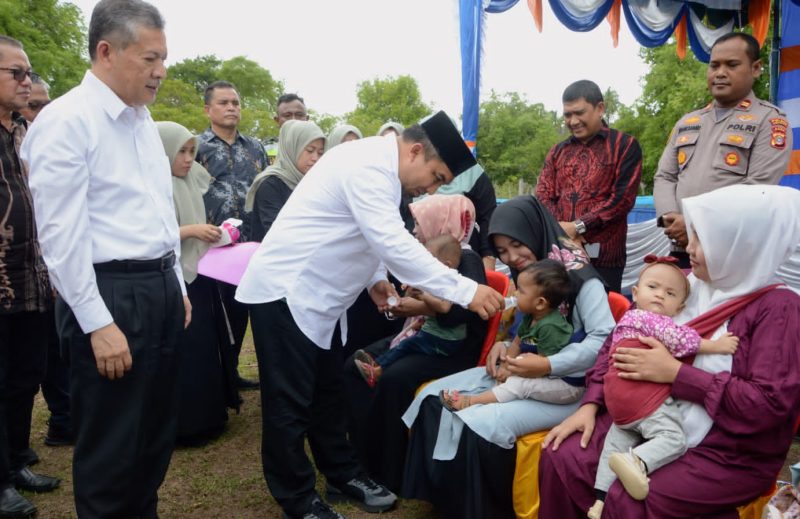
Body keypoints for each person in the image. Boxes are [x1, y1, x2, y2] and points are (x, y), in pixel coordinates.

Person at [235, 111, 503, 519]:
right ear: (415, 151)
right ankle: (297, 498)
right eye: (435, 176)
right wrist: (467, 289)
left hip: (323, 300)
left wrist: (376, 279)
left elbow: (366, 236)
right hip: (288, 292)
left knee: (328, 393)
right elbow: (393, 243)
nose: (431, 188)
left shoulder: (385, 171)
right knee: (290, 404)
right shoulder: (367, 166)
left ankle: (343, 473)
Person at [538, 184, 800, 519]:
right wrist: (591, 403)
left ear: (741, 245)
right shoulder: (683, 282)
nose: (688, 247)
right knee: (563, 456)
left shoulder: (780, 309)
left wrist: (676, 374)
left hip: (727, 449)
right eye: (691, 235)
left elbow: (768, 406)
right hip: (645, 413)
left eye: (702, 239)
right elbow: (620, 338)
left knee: (630, 497)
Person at [21, 2, 191, 516]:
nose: (160, 71)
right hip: (109, 293)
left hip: (157, 288)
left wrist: (177, 286)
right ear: (106, 52)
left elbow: (158, 211)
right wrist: (98, 322)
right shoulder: (67, 121)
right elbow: (61, 237)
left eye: (164, 58)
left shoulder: (140, 118)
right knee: (112, 447)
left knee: (154, 436)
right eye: (150, 58)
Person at [401, 195, 615, 519]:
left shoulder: (581, 280)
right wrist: (502, 345)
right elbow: (523, 325)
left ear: (535, 232)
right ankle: (445, 503)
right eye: (501, 251)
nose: (512, 257)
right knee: (434, 398)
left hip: (570, 387)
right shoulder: (533, 273)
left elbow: (604, 340)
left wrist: (548, 364)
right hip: (523, 372)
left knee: (475, 423)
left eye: (517, 245)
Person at [342, 192, 488, 492]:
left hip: (452, 348)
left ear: (441, 222)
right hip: (425, 334)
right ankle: (359, 456)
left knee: (393, 379)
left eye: (419, 223)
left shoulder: (466, 258)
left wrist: (419, 307)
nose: (414, 231)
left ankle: (388, 469)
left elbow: (460, 315)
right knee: (355, 364)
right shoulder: (428, 254)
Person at [586, 255, 739, 518]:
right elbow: (679, 340)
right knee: (674, 438)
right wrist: (716, 346)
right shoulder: (647, 319)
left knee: (615, 443)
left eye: (670, 293)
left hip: (618, 401)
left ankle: (600, 501)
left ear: (680, 307)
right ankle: (637, 461)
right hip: (642, 397)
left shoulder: (626, 320)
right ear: (635, 293)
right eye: (652, 287)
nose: (659, 296)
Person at [654, 32, 791, 268]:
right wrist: (672, 219)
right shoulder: (688, 121)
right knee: (683, 305)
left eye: (732, 65)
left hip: (732, 251)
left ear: (756, 68)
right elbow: (665, 176)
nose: (719, 73)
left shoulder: (769, 121)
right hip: (681, 247)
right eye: (714, 65)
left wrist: (695, 225)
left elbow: (758, 190)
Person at [0, 35, 59, 519]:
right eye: (15, 73)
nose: (27, 81)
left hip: (32, 278)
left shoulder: (26, 131)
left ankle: (16, 460)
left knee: (25, 377)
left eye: (27, 71)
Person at [157, 121, 239, 446]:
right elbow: (151, 235)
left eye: (192, 151)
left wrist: (211, 232)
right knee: (183, 351)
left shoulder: (190, 181)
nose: (189, 159)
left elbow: (196, 220)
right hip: (170, 277)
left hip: (199, 275)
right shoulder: (153, 186)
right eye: (181, 151)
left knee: (206, 347)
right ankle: (183, 426)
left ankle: (209, 416)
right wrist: (191, 230)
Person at [536, 80, 642, 292]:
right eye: (567, 115)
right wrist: (562, 230)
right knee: (561, 316)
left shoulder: (625, 145)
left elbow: (622, 200)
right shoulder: (558, 152)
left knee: (601, 319)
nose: (573, 121)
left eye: (579, 113)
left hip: (605, 257)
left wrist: (578, 226)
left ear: (600, 108)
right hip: (561, 253)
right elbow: (544, 194)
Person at [196, 79, 267, 390]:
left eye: (235, 103)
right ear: (208, 109)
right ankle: (220, 377)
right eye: (224, 103)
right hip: (212, 245)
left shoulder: (255, 147)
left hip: (251, 242)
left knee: (249, 311)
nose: (231, 108)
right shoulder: (196, 147)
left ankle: (237, 372)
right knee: (219, 315)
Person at [439, 259, 576, 411]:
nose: (515, 293)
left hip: (563, 383)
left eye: (521, 291)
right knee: (503, 374)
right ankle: (492, 393)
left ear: (540, 303)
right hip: (541, 368)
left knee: (517, 384)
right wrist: (505, 367)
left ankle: (470, 401)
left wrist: (511, 373)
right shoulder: (531, 316)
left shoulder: (551, 327)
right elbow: (517, 343)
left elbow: (542, 367)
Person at [354, 235, 465, 386]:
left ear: (446, 265)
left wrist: (422, 295)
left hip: (444, 341)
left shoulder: (451, 281)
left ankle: (378, 370)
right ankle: (376, 364)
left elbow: (444, 307)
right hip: (433, 331)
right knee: (404, 339)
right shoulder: (437, 278)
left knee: (405, 346)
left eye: (429, 261)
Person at [245, 119, 325, 242]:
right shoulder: (270, 185)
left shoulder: (315, 183)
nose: (315, 158)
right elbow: (277, 233)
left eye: (320, 153)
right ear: (292, 148)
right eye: (309, 150)